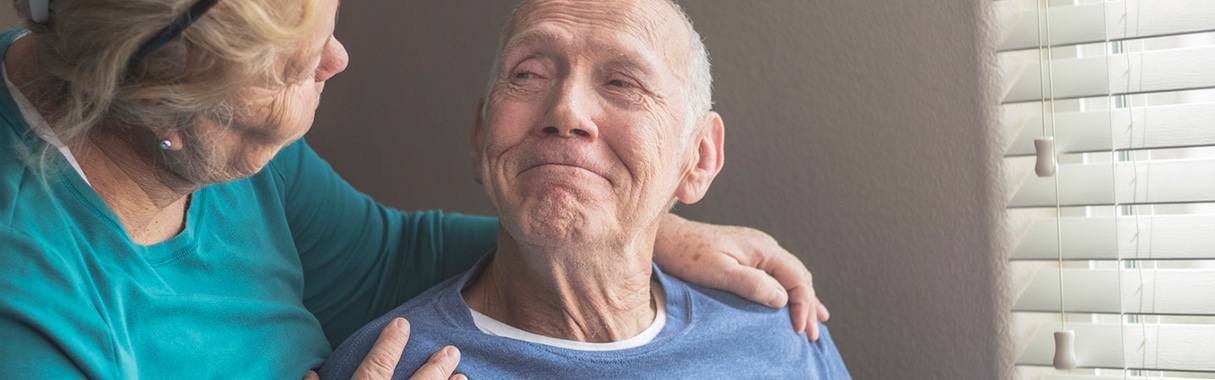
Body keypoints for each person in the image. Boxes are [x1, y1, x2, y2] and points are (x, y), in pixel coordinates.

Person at [0, 0, 830, 378]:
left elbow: (386, 253)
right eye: (298, 68)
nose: (337, 59)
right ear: (166, 102)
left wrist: (636, 230)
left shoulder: (201, 142)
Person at [317, 0, 851, 378]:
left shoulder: (781, 335)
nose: (566, 111)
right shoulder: (391, 366)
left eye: (622, 83)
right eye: (528, 74)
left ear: (700, 158)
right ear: (481, 136)